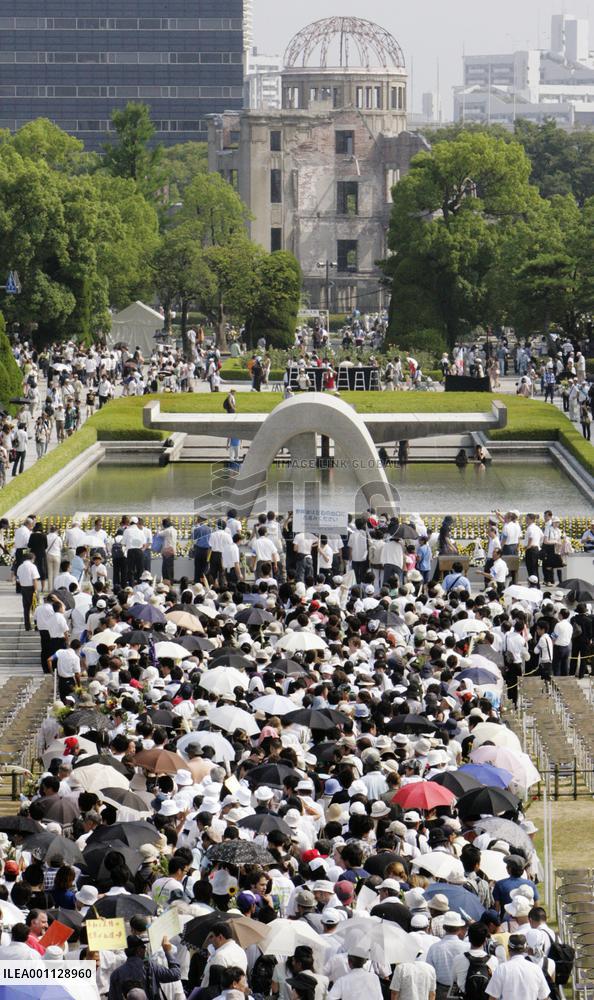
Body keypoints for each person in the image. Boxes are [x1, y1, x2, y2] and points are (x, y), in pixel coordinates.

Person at [108, 935, 181, 1000]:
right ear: (138, 951)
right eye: (143, 947)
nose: (145, 949)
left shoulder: (116, 974)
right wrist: (168, 951)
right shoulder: (151, 967)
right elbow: (176, 974)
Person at [484, 934, 550, 1000]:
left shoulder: (502, 969)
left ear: (508, 948)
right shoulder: (536, 969)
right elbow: (544, 997)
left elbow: (492, 997)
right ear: (525, 949)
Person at [16, 551, 40, 630]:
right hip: (31, 588)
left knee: (26, 608)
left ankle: (27, 626)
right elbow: (34, 579)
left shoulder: (20, 567)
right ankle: (36, 626)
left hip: (23, 588)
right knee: (35, 608)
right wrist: (36, 590)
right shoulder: (32, 566)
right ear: (31, 558)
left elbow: (18, 580)